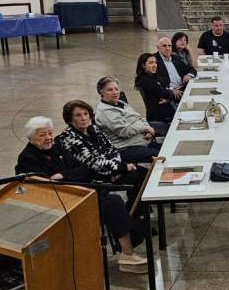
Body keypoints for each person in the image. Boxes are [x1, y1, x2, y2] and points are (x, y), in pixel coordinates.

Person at [16, 116, 147, 272]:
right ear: (31, 138)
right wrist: (69, 176)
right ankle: (127, 253)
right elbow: (42, 186)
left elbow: (84, 169)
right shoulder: (27, 158)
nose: (49, 138)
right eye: (42, 135)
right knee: (112, 202)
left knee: (114, 198)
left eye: (50, 133)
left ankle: (128, 249)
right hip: (60, 201)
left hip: (81, 192)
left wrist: (63, 175)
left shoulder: (57, 148)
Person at [93, 76, 163, 164]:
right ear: (101, 92)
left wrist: (148, 130)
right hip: (127, 148)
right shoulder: (105, 112)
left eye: (116, 89)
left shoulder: (121, 103)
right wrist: (145, 128)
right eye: (110, 90)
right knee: (165, 156)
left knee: (169, 149)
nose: (115, 92)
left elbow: (139, 118)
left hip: (143, 141)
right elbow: (125, 131)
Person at [134, 53, 179, 123]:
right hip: (162, 117)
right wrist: (171, 93)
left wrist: (168, 97)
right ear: (143, 65)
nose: (154, 65)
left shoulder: (154, 76)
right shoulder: (145, 80)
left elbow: (165, 88)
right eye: (151, 63)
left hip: (166, 110)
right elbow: (164, 93)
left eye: (155, 63)